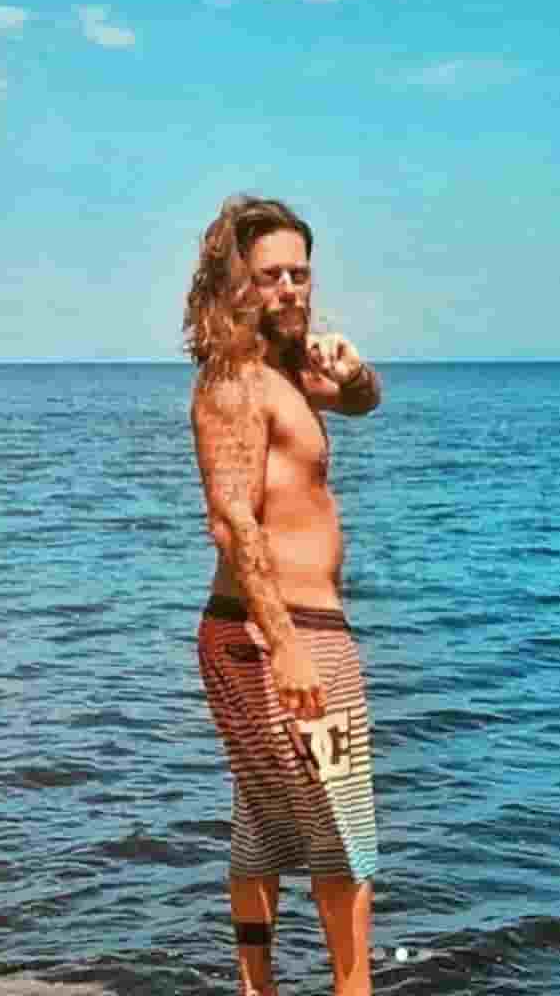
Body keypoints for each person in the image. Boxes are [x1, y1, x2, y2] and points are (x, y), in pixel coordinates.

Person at [185, 195, 384, 996]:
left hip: (264, 631)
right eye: (270, 276)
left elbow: (363, 401)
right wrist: (289, 645)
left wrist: (353, 370)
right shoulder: (236, 383)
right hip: (280, 632)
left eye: (300, 273)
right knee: (343, 830)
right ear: (232, 284)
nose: (290, 289)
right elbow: (233, 522)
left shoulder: (286, 372)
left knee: (265, 821)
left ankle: (255, 987)